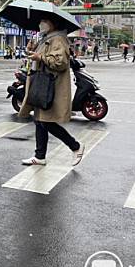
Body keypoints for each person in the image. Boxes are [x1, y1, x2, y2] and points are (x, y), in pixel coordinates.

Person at [19, 18, 84, 167]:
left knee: (45, 121)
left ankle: (76, 147)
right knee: (39, 119)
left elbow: (60, 63)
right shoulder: (46, 39)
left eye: (44, 21)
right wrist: (31, 50)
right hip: (41, 84)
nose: (41, 23)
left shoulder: (58, 39)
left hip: (50, 85)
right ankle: (39, 156)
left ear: (53, 23)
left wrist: (39, 56)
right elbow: (38, 58)